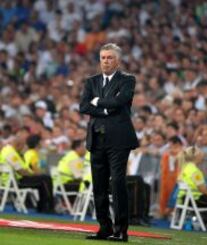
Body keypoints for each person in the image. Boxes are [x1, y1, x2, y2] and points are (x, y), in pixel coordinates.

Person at [79, 43, 139, 242]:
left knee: (118, 183)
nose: (106, 61)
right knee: (99, 186)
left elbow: (120, 101)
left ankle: (121, 230)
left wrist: (97, 102)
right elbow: (83, 106)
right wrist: (104, 108)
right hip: (97, 139)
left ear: (118, 60)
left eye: (110, 57)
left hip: (119, 140)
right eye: (103, 57)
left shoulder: (128, 80)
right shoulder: (91, 81)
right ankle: (104, 227)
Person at [0, 132, 54, 213]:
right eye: (23, 145)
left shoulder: (6, 150)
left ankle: (43, 207)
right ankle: (49, 206)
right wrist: (33, 174)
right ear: (19, 145)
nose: (24, 148)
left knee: (42, 181)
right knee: (46, 179)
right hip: (16, 181)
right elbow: (21, 171)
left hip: (8, 180)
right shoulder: (11, 154)